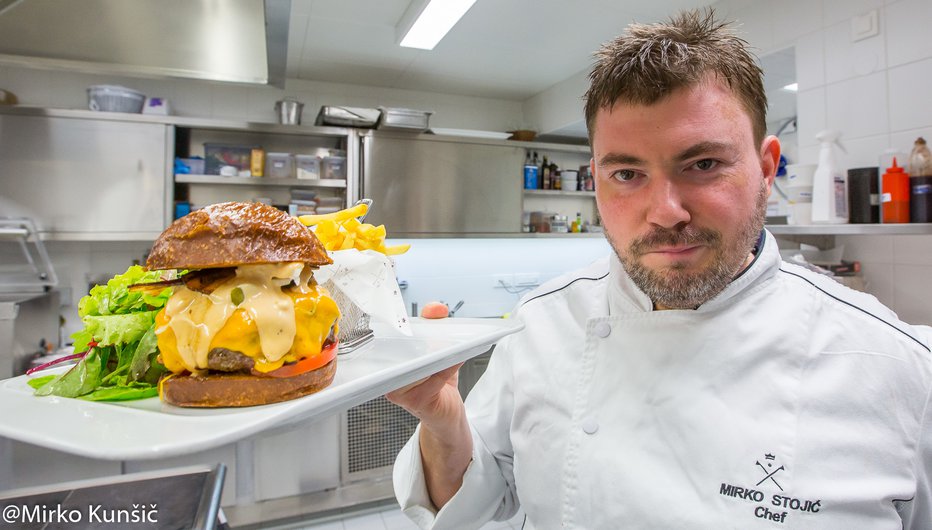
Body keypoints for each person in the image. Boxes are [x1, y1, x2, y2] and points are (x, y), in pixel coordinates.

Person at [387, 9, 932, 529]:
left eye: (703, 164)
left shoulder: (898, 368)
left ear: (766, 169)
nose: (666, 211)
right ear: (596, 179)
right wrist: (441, 420)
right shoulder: (541, 322)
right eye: (627, 173)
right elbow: (476, 499)